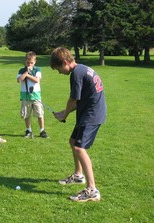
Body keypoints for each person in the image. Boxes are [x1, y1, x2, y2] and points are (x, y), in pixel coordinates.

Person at [50, 47, 107, 202]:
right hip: (90, 111)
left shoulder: (76, 73)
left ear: (65, 62)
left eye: (58, 69)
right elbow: (81, 99)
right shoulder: (82, 69)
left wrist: (64, 114)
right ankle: (78, 175)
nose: (59, 72)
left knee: (79, 148)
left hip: (92, 114)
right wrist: (64, 112)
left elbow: (73, 100)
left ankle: (92, 190)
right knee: (73, 141)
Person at [17, 51, 48, 138]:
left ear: (35, 62)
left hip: (35, 95)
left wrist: (29, 75)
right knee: (26, 114)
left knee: (39, 113)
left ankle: (42, 130)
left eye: (31, 62)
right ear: (25, 62)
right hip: (25, 96)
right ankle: (28, 130)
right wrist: (26, 72)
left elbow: (37, 80)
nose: (29, 64)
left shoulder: (37, 70)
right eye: (28, 62)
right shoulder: (22, 70)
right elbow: (19, 80)